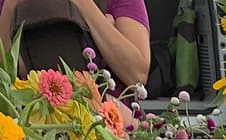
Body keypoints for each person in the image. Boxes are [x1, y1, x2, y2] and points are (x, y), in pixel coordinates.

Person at [0, 0, 150, 92]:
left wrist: (84, 5)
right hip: (35, 126)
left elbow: (137, 75)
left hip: (109, 124)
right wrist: (11, 6)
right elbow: (6, 75)